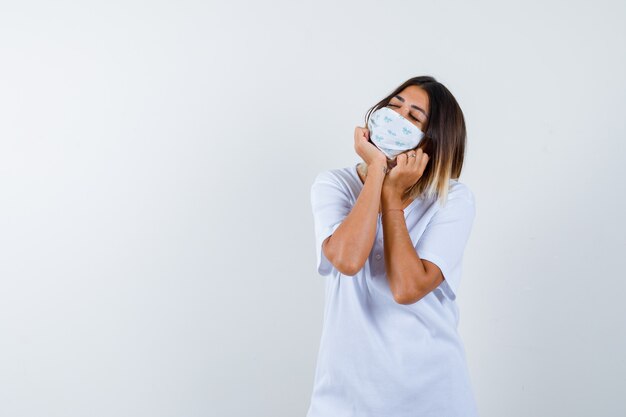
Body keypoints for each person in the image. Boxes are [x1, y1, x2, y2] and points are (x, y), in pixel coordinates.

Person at [306, 75, 479, 417]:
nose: (397, 117)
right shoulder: (334, 185)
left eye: (414, 117)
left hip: (431, 397)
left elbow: (406, 287)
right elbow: (347, 259)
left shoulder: (452, 199)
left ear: (432, 143)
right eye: (394, 105)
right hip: (343, 398)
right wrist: (376, 173)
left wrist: (392, 197)